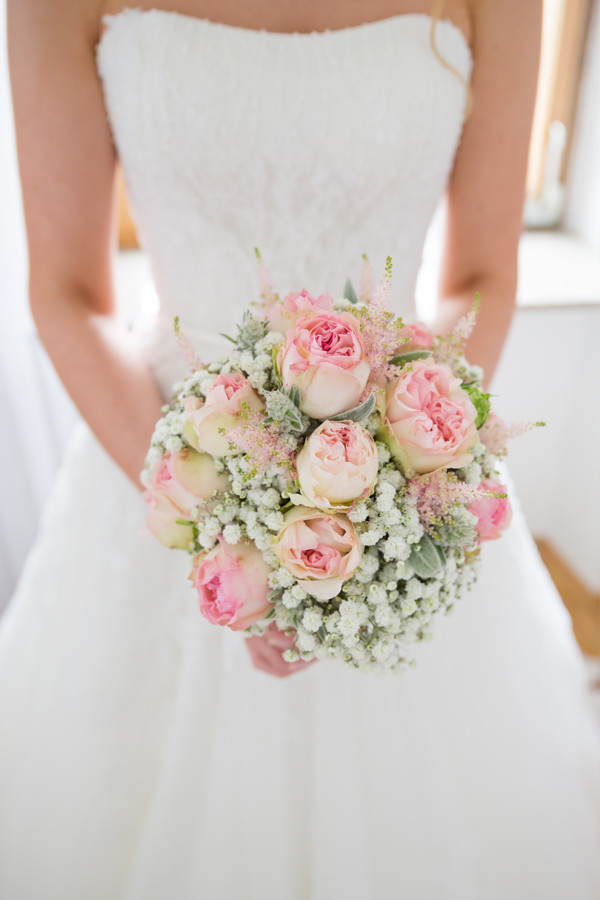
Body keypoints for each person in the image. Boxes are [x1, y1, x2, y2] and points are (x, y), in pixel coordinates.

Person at [1, 0, 599, 897]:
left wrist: (394, 478)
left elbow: (482, 277)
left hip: (401, 465)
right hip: (166, 447)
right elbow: (66, 294)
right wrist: (218, 527)